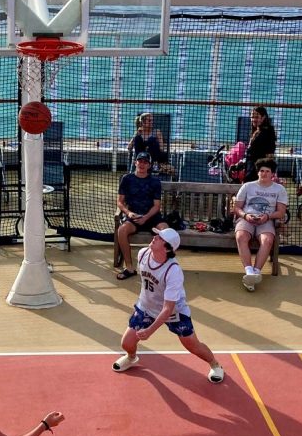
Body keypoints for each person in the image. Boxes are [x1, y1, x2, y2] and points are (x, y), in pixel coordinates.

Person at [111, 227, 225, 383]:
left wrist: (150, 330)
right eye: (156, 235)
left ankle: (215, 365)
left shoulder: (173, 271)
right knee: (127, 343)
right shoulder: (143, 253)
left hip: (174, 313)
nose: (155, 237)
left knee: (192, 345)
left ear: (167, 248)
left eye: (160, 237)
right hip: (146, 307)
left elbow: (168, 308)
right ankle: (131, 358)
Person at [233, 157, 288, 291]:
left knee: (268, 240)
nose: (264, 173)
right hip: (247, 219)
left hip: (267, 220)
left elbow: (281, 212)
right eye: (261, 171)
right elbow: (237, 208)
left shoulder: (279, 189)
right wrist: (245, 215)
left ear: (272, 174)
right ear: (258, 172)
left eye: (267, 171)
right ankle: (249, 272)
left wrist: (268, 216)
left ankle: (256, 272)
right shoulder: (247, 186)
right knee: (241, 236)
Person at [115, 152, 168, 280]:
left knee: (166, 230)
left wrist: (146, 217)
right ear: (135, 163)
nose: (142, 164)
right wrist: (129, 213)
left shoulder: (155, 181)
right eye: (140, 161)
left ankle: (162, 267)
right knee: (121, 230)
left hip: (151, 217)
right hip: (134, 217)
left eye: (145, 162)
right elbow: (120, 202)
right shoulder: (126, 179)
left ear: (149, 165)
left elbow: (156, 206)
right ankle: (130, 268)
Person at [242, 106, 276, 182]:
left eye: (257, 117)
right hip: (251, 168)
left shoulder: (268, 132)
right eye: (252, 117)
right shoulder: (256, 131)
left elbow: (270, 153)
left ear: (263, 117)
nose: (253, 120)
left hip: (258, 170)